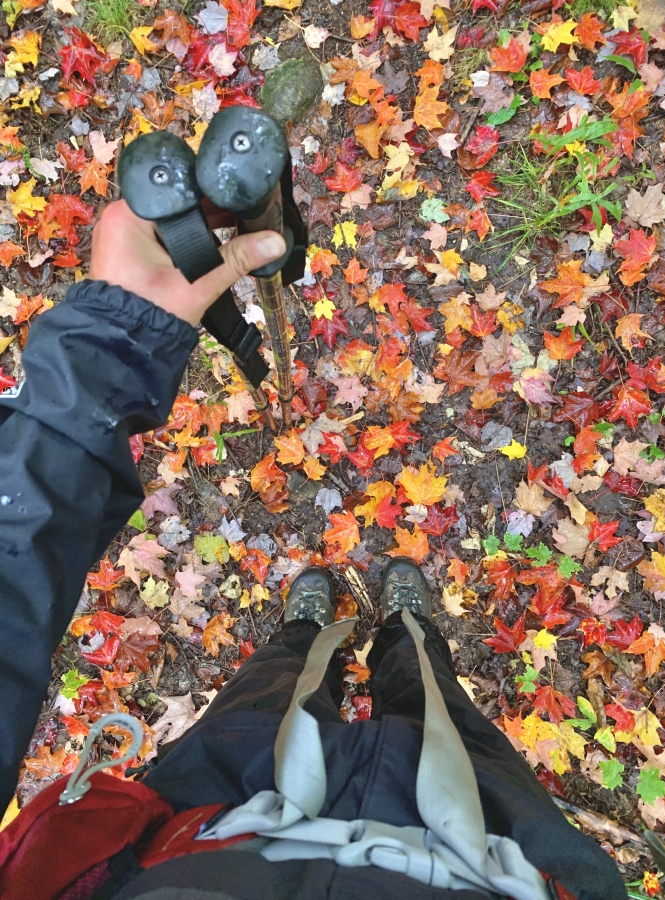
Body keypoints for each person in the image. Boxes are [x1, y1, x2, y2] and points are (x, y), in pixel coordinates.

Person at [0, 201, 627, 900]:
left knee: (271, 688)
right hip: (493, 845)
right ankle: (402, 633)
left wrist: (110, 339)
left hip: (206, 813)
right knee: (430, 696)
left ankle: (306, 634)